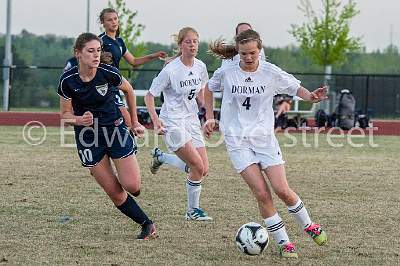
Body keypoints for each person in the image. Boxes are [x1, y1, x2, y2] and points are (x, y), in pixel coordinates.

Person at [204, 29, 328, 258]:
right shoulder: (228, 71)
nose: (248, 57)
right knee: (262, 194)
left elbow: (295, 88)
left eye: (252, 53)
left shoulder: (270, 72)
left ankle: (309, 224)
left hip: (264, 140)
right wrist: (210, 116)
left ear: (260, 50)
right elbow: (208, 89)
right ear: (238, 53)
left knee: (282, 189)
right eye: (243, 54)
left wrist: (311, 96)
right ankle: (285, 243)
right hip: (237, 140)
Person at [57, 33, 156, 240]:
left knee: (132, 187)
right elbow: (65, 116)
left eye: (98, 50)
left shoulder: (107, 72)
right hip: (88, 138)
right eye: (90, 51)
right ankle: (146, 224)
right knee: (114, 192)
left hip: (115, 131)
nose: (96, 55)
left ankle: (129, 164)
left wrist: (135, 122)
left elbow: (129, 91)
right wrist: (79, 120)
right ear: (78, 53)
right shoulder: (67, 81)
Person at [144, 27, 212, 221]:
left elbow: (201, 92)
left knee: (202, 169)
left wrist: (207, 117)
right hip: (171, 122)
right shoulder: (171, 70)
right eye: (188, 41)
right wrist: (156, 122)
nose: (192, 45)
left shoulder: (200, 66)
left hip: (191, 120)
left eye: (195, 41)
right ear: (180, 45)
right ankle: (192, 211)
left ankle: (162, 158)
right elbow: (149, 97)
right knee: (197, 167)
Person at [98, 8, 167, 69]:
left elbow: (134, 61)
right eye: (109, 20)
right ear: (103, 23)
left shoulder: (119, 41)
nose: (114, 22)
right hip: (103, 81)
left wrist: (154, 55)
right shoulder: (100, 40)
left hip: (115, 79)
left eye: (115, 18)